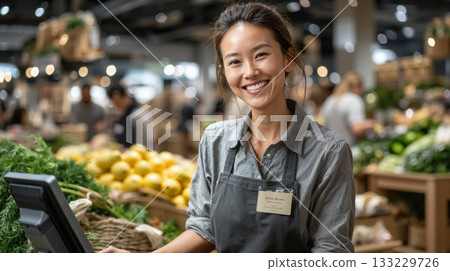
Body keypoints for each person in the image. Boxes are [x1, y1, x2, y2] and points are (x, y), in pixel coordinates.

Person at [102, 2, 355, 253]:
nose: (250, 71)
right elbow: (204, 228)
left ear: (288, 59)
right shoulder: (215, 141)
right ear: (223, 71)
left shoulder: (328, 152)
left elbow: (331, 251)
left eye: (261, 55)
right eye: (235, 62)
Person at [320, 72, 375, 146]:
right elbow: (357, 129)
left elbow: (324, 125)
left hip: (331, 149)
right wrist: (372, 124)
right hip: (349, 148)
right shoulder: (354, 100)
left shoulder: (330, 100)